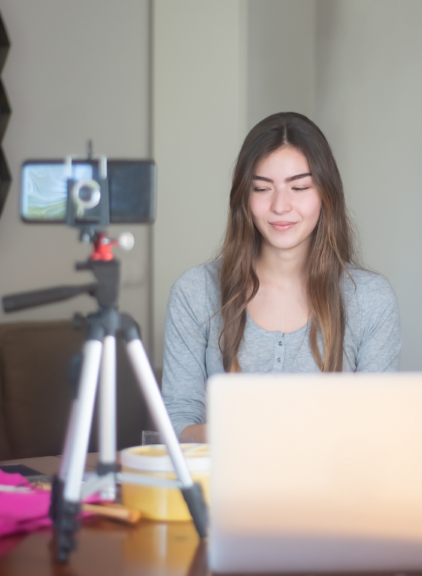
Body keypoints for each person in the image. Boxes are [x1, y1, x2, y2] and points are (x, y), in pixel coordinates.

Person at [161, 112, 401, 442]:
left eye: (299, 187)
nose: (280, 206)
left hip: (332, 491)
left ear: (326, 195)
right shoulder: (195, 292)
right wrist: (254, 434)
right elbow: (177, 425)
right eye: (262, 188)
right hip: (225, 490)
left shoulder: (371, 299)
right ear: (244, 198)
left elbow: (378, 429)